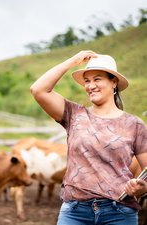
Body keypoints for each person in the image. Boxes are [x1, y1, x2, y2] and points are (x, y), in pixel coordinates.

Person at [30, 50, 147, 225]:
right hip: (75, 212)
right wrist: (73, 61)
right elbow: (38, 90)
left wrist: (141, 189)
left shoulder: (134, 124)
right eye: (87, 80)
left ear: (114, 82)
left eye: (97, 79)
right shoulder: (73, 114)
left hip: (119, 212)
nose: (90, 86)